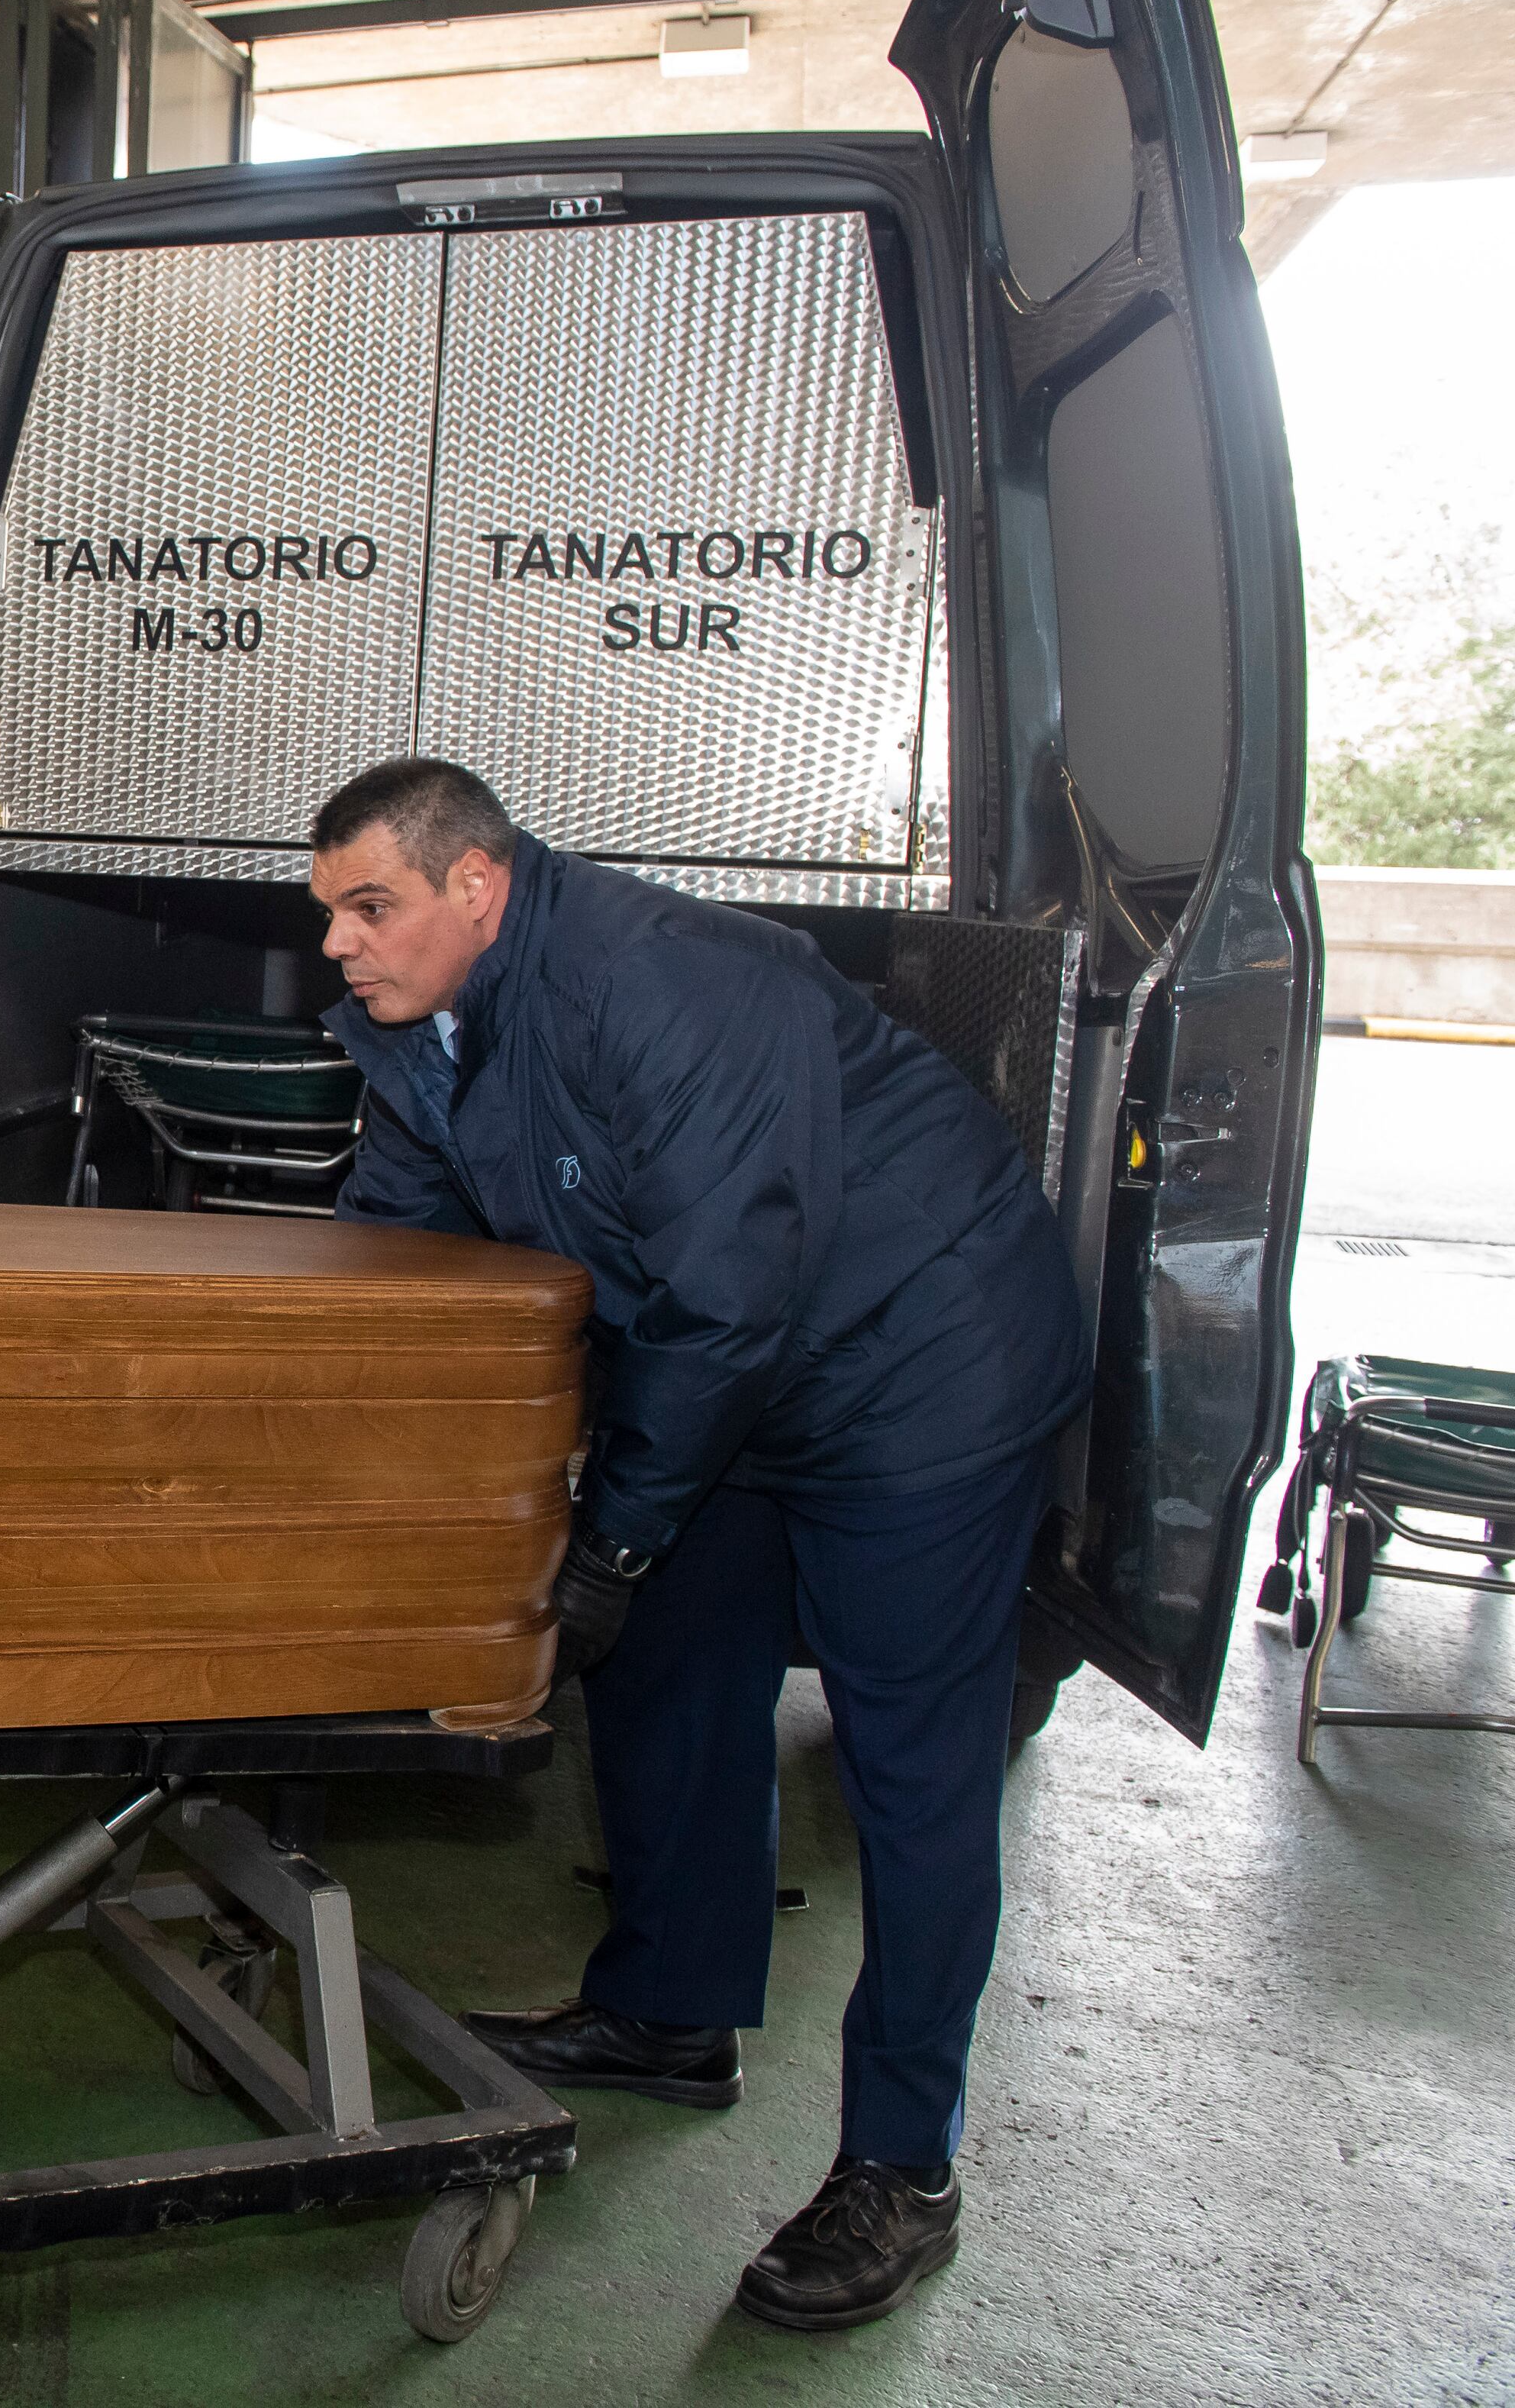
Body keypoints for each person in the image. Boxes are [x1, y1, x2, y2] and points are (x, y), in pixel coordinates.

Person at [307, 756, 1090, 2335]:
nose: (338, 943)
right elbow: (391, 1263)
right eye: (326, 913)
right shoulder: (420, 1024)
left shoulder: (664, 978)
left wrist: (610, 1532)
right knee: (667, 1671)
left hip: (917, 1361)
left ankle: (902, 2168)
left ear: (478, 887)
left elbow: (733, 1285)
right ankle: (667, 2009)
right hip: (735, 1366)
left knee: (908, 1767)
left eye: (367, 907)